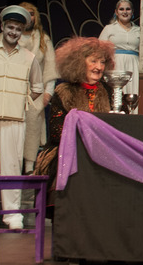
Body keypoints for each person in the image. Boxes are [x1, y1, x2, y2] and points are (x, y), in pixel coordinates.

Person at [0, 5, 43, 231]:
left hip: (14, 120)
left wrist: (19, 102)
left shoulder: (29, 58)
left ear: (22, 31)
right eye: (10, 27)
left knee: (12, 166)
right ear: (2, 27)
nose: (13, 32)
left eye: (18, 29)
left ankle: (12, 215)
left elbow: (37, 87)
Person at [37, 37, 115, 210]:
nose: (99, 67)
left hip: (103, 149)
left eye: (102, 62)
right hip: (69, 149)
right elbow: (57, 132)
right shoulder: (64, 91)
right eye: (93, 61)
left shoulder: (109, 91)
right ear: (79, 62)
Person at [0, 2, 58, 173]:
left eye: (31, 13)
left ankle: (28, 167)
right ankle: (6, 167)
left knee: (31, 129)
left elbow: (50, 67)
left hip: (34, 93)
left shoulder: (43, 40)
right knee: (7, 129)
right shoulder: (3, 38)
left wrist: (47, 93)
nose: (29, 17)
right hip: (10, 90)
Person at [99, 0, 140, 97]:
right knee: (117, 93)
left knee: (134, 90)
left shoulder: (139, 30)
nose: (125, 12)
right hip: (116, 63)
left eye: (128, 9)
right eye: (121, 9)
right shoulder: (109, 28)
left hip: (134, 64)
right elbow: (99, 48)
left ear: (132, 12)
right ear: (116, 12)